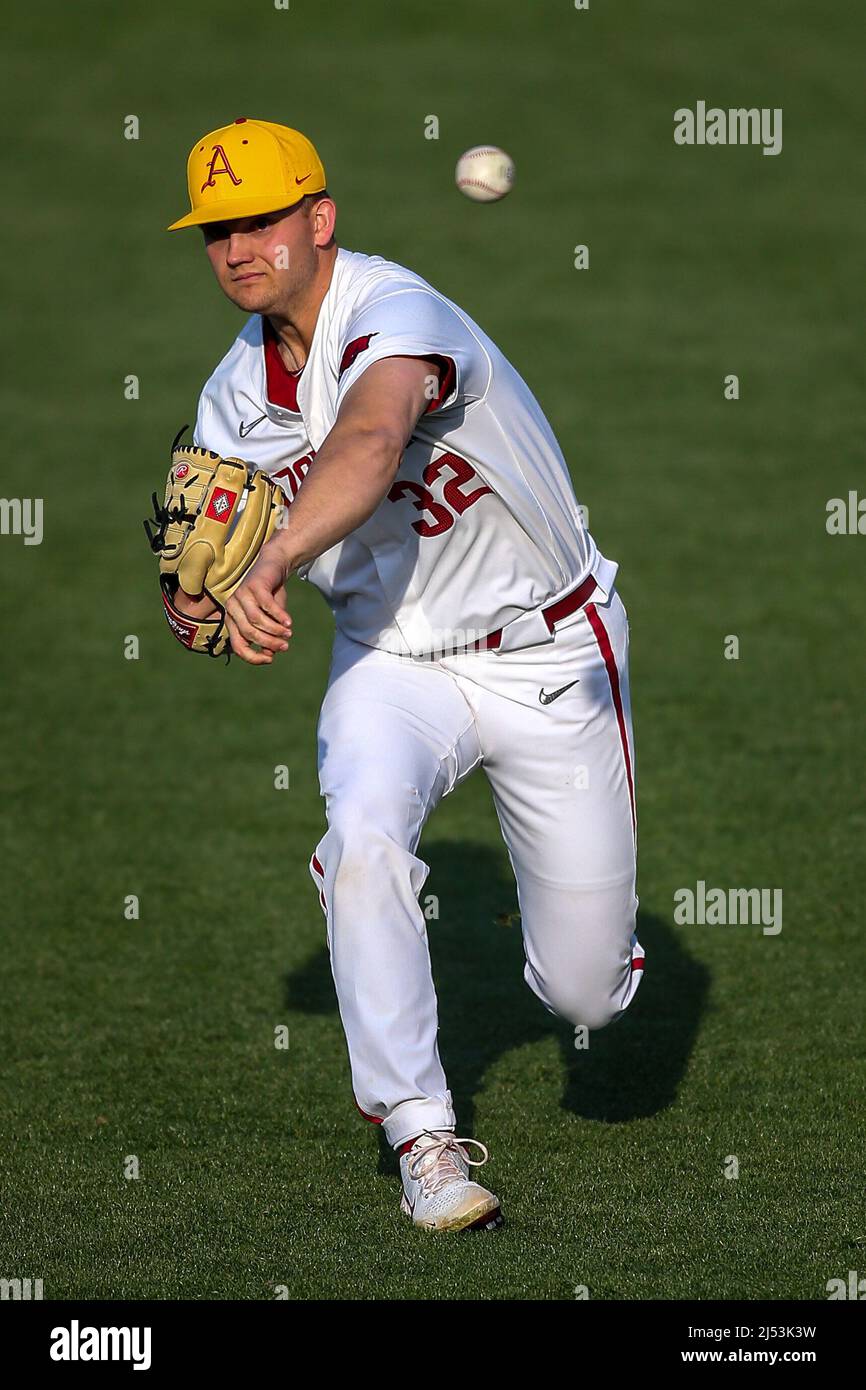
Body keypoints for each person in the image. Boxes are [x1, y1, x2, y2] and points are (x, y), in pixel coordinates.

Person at [167, 118, 645, 1232]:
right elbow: (198, 557)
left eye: (259, 222)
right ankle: (419, 1131)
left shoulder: (397, 311)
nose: (237, 248)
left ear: (317, 221)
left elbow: (372, 441)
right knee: (363, 839)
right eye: (214, 231)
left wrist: (275, 557)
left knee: (583, 994)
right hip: (390, 662)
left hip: (550, 655)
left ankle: (592, 945)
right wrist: (199, 601)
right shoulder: (229, 399)